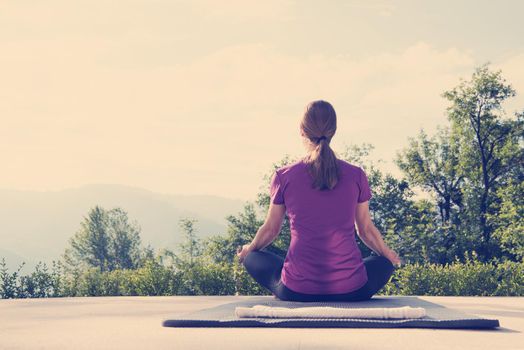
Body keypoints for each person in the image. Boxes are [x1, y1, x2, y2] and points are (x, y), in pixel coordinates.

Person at [236, 100, 402, 302]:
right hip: (352, 291)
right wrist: (387, 254)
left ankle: (287, 280)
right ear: (334, 130)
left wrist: (248, 249)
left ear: (301, 130)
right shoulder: (356, 175)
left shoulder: (284, 176)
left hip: (296, 291)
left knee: (253, 256)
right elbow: (365, 230)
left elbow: (271, 229)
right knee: (383, 263)